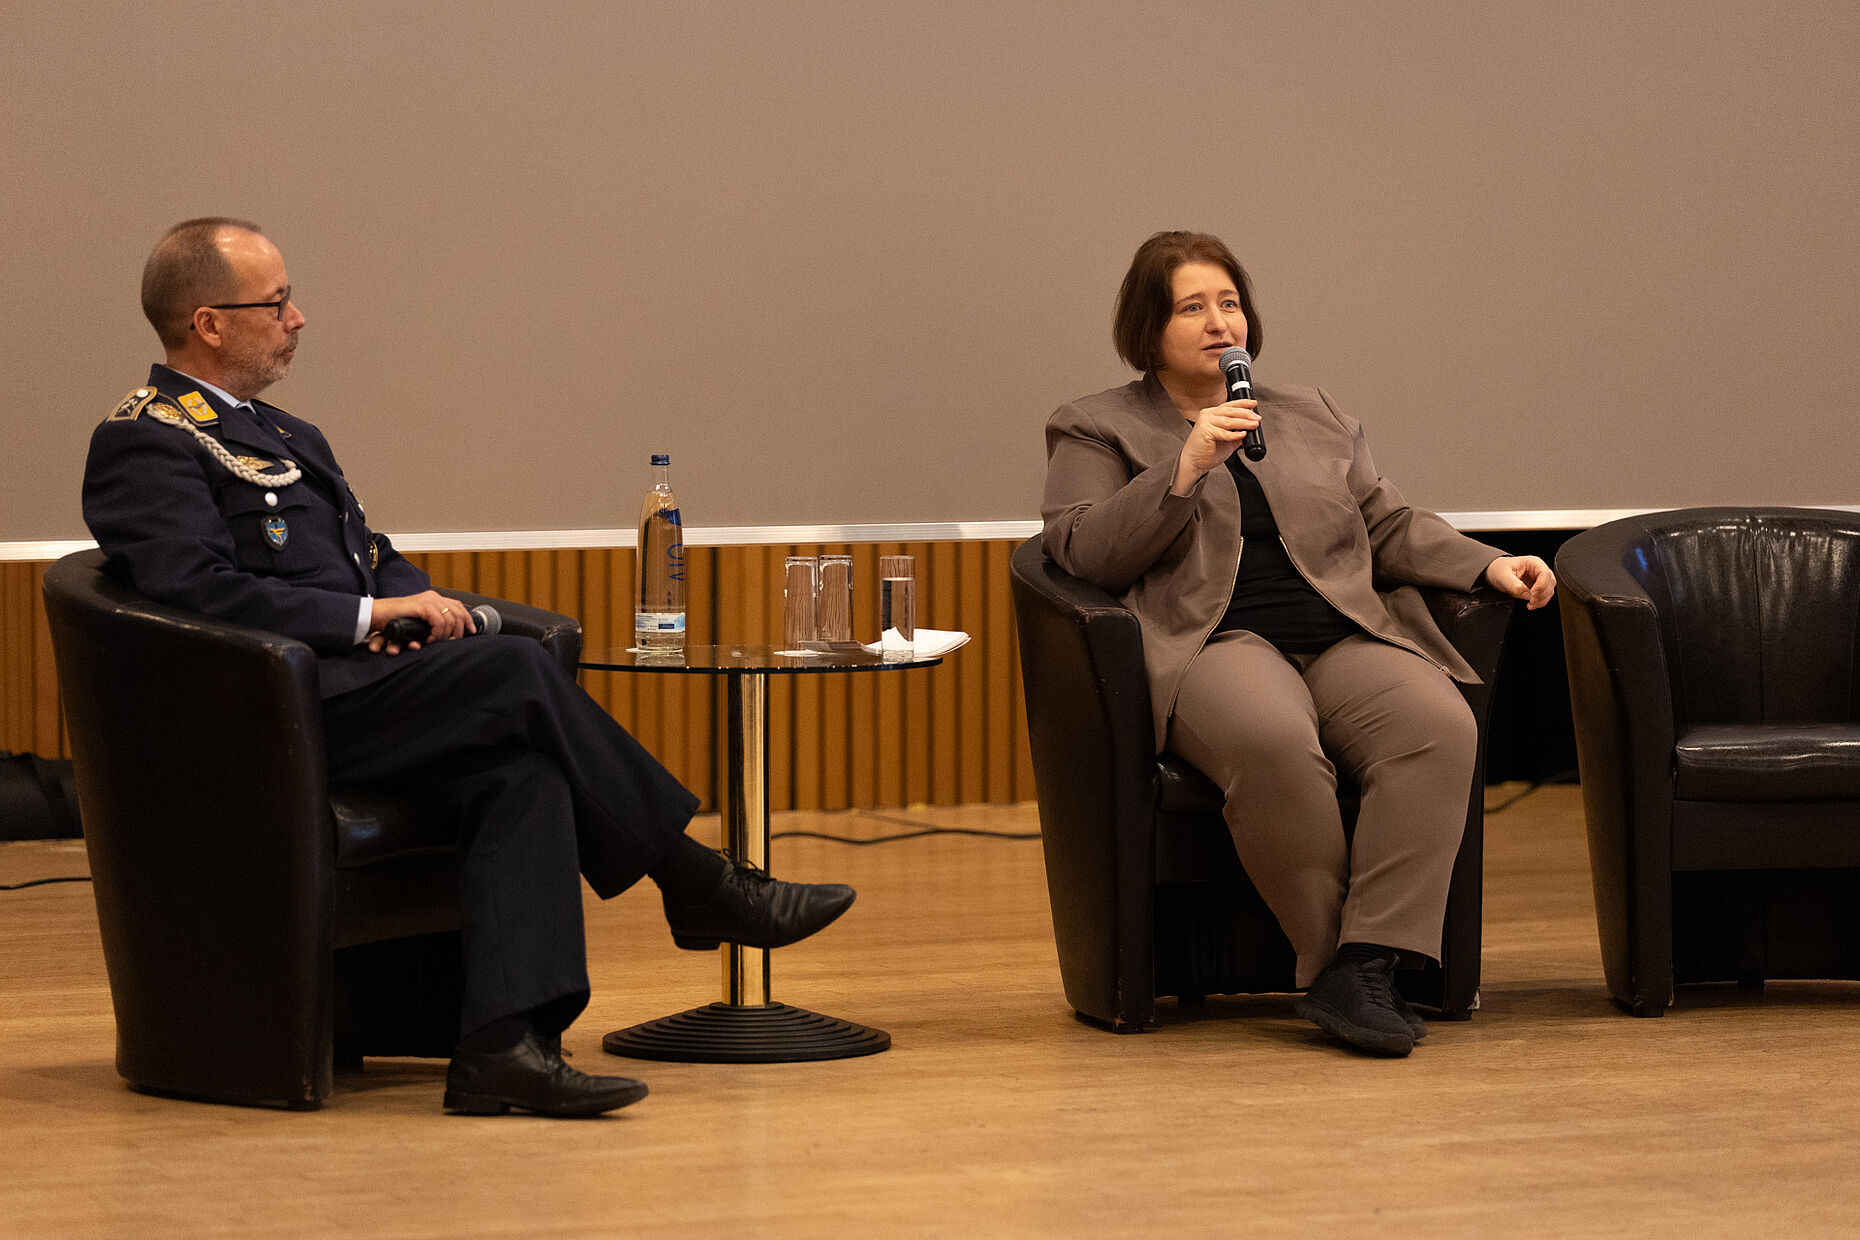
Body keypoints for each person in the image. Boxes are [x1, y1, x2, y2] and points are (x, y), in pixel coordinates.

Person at [83, 218, 858, 1115]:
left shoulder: (289, 433)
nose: (299, 318)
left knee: (520, 773)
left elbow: (368, 552)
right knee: (517, 674)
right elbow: (194, 592)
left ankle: (505, 1048)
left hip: (353, 689)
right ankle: (696, 882)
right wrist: (370, 615)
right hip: (269, 714)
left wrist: (416, 607)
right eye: (278, 301)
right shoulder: (147, 439)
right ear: (209, 323)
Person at [1041, 231, 1554, 1057]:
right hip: (1212, 640)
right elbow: (1083, 550)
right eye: (1192, 307)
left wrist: (1490, 565)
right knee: (1274, 740)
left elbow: (1388, 525)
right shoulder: (1096, 427)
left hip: (1342, 631)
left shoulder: (1311, 414)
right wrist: (1185, 466)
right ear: (1149, 327)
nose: (1219, 323)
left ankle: (1368, 962)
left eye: (1230, 302)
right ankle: (1330, 967)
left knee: (1439, 727)